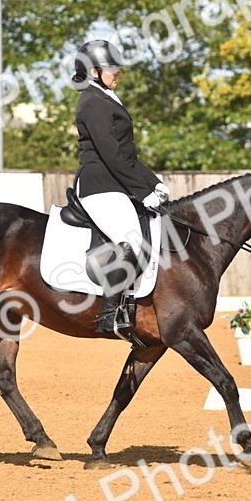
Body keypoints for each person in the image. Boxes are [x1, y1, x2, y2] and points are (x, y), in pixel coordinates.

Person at [72, 39, 170, 338]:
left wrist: (154, 183)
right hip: (99, 185)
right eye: (112, 67)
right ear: (94, 71)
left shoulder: (106, 99)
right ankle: (109, 315)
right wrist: (142, 192)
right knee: (133, 241)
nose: (118, 73)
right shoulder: (92, 102)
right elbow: (111, 154)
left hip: (113, 182)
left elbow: (127, 155)